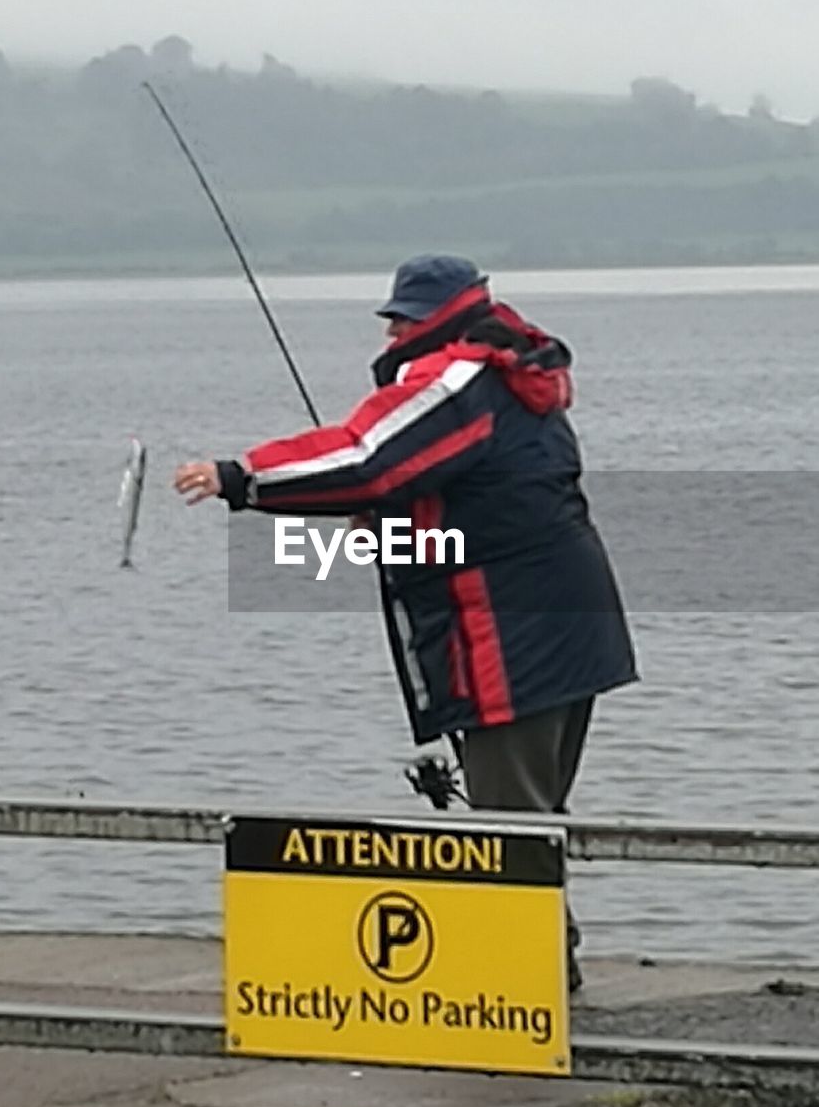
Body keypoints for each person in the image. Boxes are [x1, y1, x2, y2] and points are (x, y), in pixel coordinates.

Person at [174, 254, 638, 992]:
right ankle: (546, 963)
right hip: (565, 618)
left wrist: (240, 477)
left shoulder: (457, 379)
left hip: (511, 631)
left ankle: (527, 983)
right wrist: (392, 520)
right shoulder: (512, 378)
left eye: (405, 317)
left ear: (440, 319)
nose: (393, 329)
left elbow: (367, 457)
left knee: (508, 816)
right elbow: (479, 500)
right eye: (394, 316)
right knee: (531, 804)